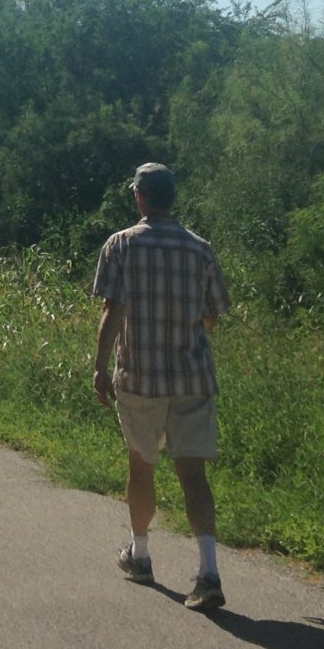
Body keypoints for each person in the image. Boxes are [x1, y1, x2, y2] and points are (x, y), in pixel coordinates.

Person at [91, 161, 231, 612]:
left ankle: (141, 554)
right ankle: (208, 571)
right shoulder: (200, 250)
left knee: (142, 467)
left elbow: (113, 311)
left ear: (139, 197)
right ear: (173, 197)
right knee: (193, 474)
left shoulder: (121, 245)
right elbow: (211, 316)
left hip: (140, 378)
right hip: (192, 378)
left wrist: (98, 366)